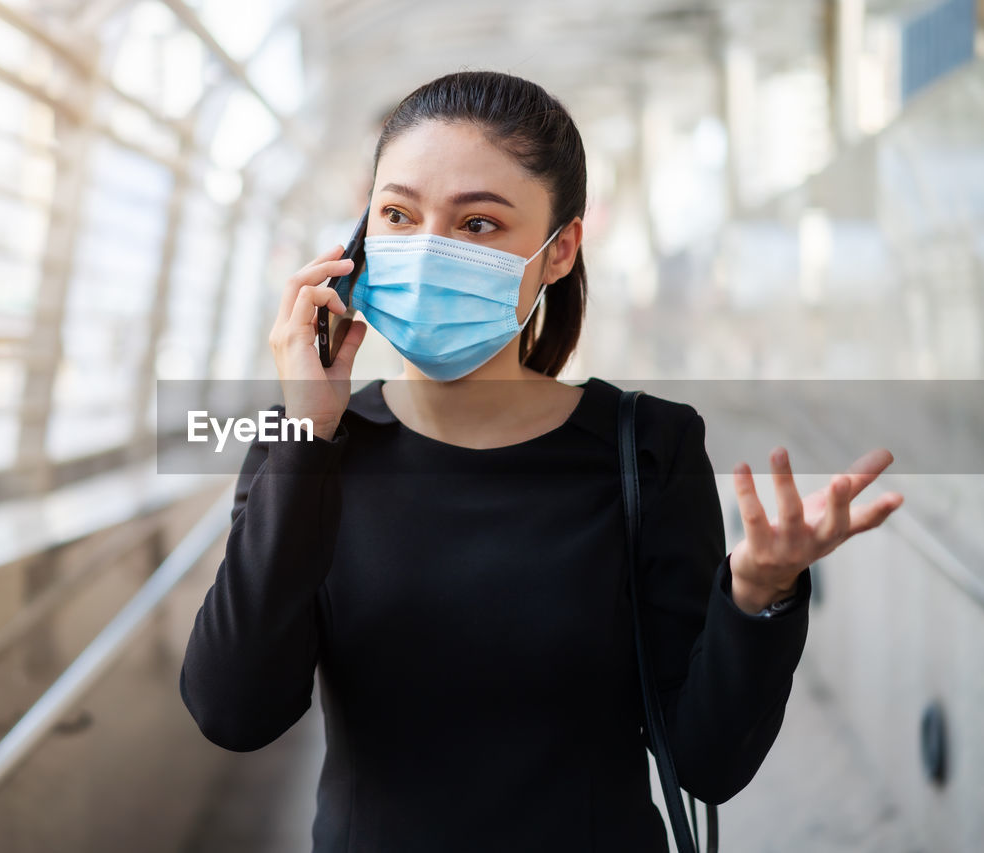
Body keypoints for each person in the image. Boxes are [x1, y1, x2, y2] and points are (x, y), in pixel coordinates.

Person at [179, 70, 904, 852]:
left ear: (559, 251)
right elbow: (235, 711)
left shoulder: (647, 446)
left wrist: (758, 593)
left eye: (479, 225)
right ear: (356, 242)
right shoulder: (308, 446)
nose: (426, 251)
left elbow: (707, 759)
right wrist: (306, 436)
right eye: (397, 214)